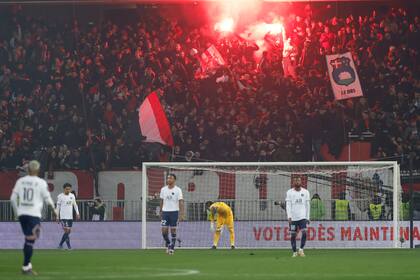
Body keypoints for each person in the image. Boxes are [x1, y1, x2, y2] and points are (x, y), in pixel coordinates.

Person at [10, 160, 57, 275]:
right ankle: (26, 267)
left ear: (28, 169)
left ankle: (27, 265)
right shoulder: (41, 182)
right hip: (33, 214)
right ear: (38, 170)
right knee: (31, 239)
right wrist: (55, 211)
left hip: (22, 214)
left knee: (28, 238)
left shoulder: (21, 181)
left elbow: (12, 199)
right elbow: (47, 199)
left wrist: (17, 213)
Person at [285, 177, 310, 257]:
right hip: (293, 218)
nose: (297, 182)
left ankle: (301, 250)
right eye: (296, 180)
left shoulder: (306, 192)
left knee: (305, 232)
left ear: (301, 182)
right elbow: (288, 205)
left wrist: (307, 217)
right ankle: (294, 252)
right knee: (293, 235)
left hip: (302, 217)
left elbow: (307, 205)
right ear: (293, 182)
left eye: (298, 180)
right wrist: (289, 217)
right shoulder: (289, 192)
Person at [160, 173, 184, 255]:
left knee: (173, 230)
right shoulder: (163, 189)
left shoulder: (178, 190)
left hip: (174, 212)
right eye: (168, 178)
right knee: (164, 231)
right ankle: (168, 243)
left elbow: (181, 202)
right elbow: (162, 201)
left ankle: (172, 248)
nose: (168, 180)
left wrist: (181, 214)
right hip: (165, 212)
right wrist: (160, 211)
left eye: (170, 178)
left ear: (174, 180)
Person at [56, 183, 80, 249]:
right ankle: (69, 247)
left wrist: (77, 213)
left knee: (68, 231)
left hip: (70, 217)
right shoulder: (60, 196)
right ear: (64, 189)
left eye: (69, 189)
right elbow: (58, 207)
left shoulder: (72, 196)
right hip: (63, 217)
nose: (68, 190)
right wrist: (57, 216)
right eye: (67, 189)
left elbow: (75, 205)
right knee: (66, 231)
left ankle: (60, 245)